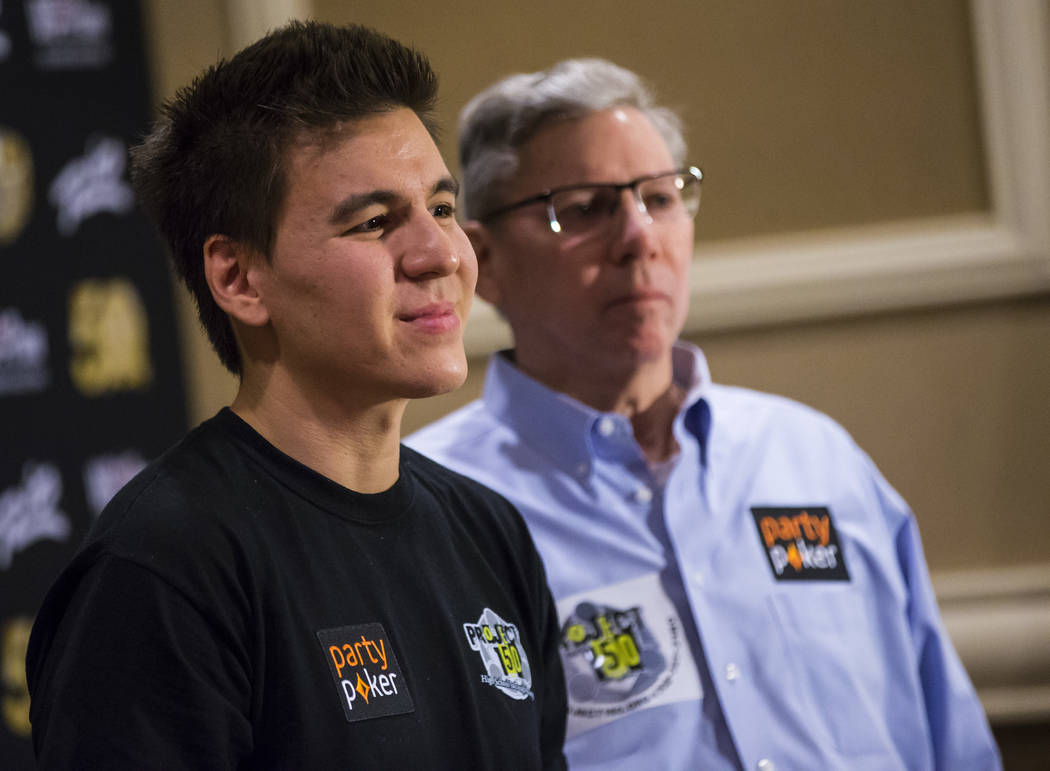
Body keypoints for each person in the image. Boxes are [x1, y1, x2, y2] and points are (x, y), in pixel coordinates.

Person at [406, 58, 1001, 770]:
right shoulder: (433, 512)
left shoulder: (815, 459)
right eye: (587, 208)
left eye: (660, 198)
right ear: (485, 259)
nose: (639, 237)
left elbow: (954, 744)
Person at [26, 22, 567, 770]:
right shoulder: (163, 568)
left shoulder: (491, 532)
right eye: (375, 222)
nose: (440, 254)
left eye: (441, 209)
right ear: (239, 279)